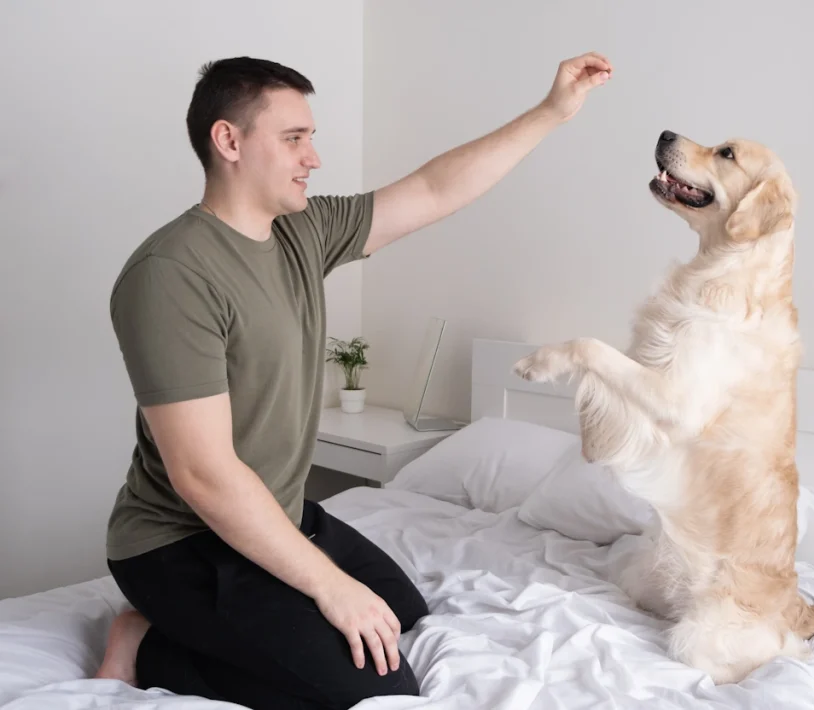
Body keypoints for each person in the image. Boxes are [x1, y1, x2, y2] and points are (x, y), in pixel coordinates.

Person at [93, 51, 612, 709]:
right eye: (294, 139)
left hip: (270, 513)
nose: (313, 157)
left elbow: (432, 190)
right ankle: (146, 644)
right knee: (376, 686)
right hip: (180, 542)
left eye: (310, 138)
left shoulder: (302, 233)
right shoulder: (171, 275)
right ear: (229, 141)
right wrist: (328, 586)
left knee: (400, 611)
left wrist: (551, 113)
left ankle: (194, 625)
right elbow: (203, 477)